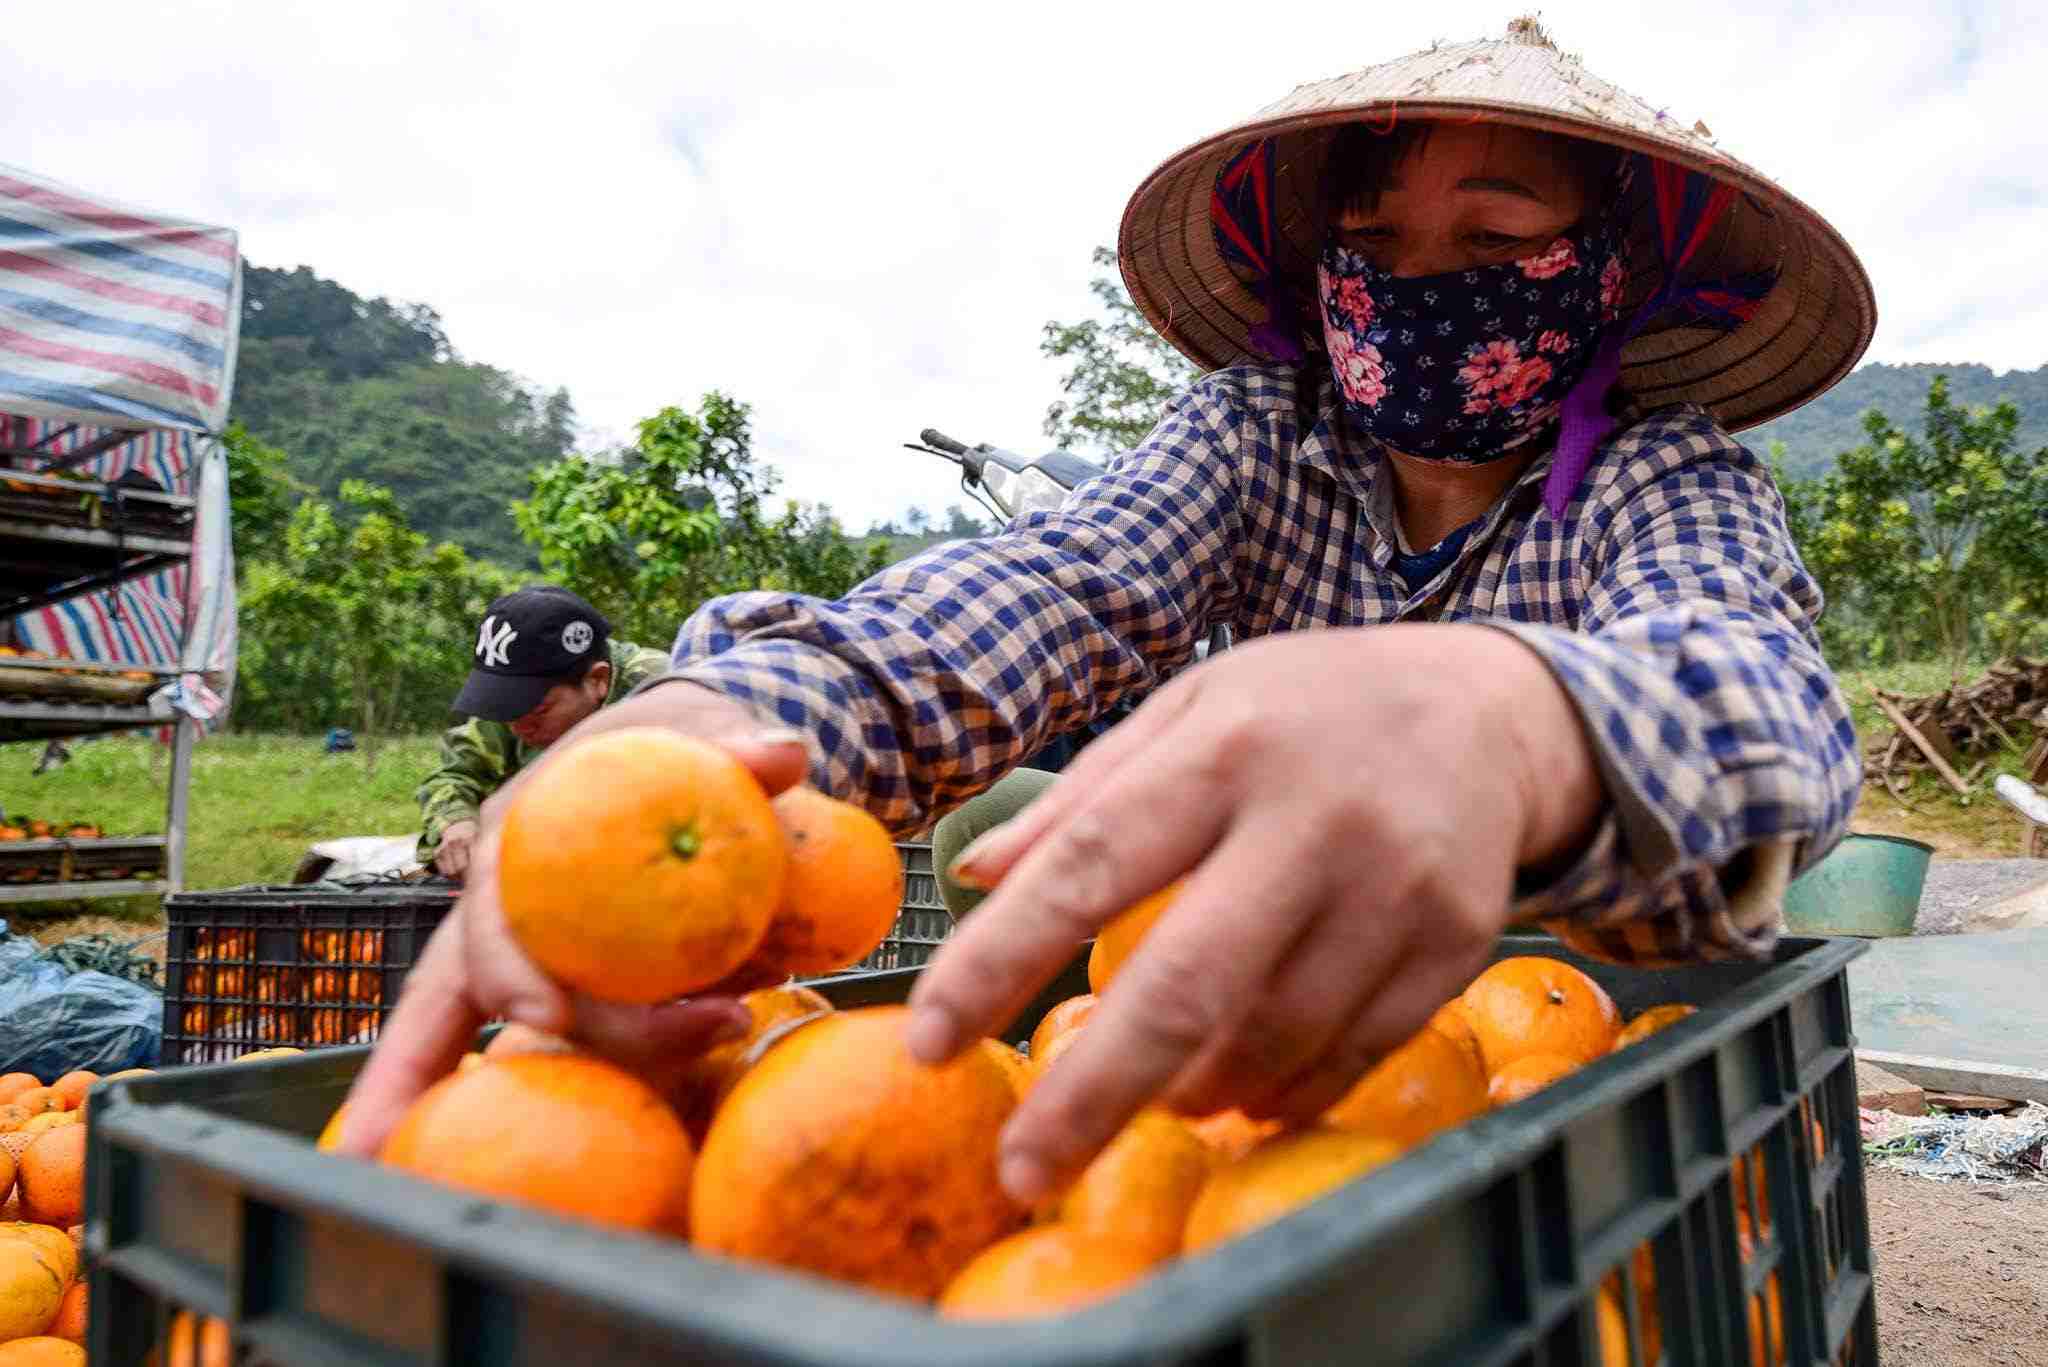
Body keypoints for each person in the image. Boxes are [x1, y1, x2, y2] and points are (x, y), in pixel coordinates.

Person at [342, 19, 1873, 1209]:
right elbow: (1044, 593)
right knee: (991, 829)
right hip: (1260, 1009)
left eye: (1490, 244)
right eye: (1379, 243)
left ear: (1607, 273)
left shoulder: (1663, 477)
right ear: (1320, 264)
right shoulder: (1258, 432)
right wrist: (713, 727)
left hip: (1579, 1006)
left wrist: (1511, 719)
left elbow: (1761, 705)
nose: (1422, 285)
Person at [414, 587, 669, 878]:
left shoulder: (661, 693)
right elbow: (455, 775)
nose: (519, 728)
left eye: (538, 712)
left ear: (598, 680)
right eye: (507, 713)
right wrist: (456, 823)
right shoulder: (520, 698)